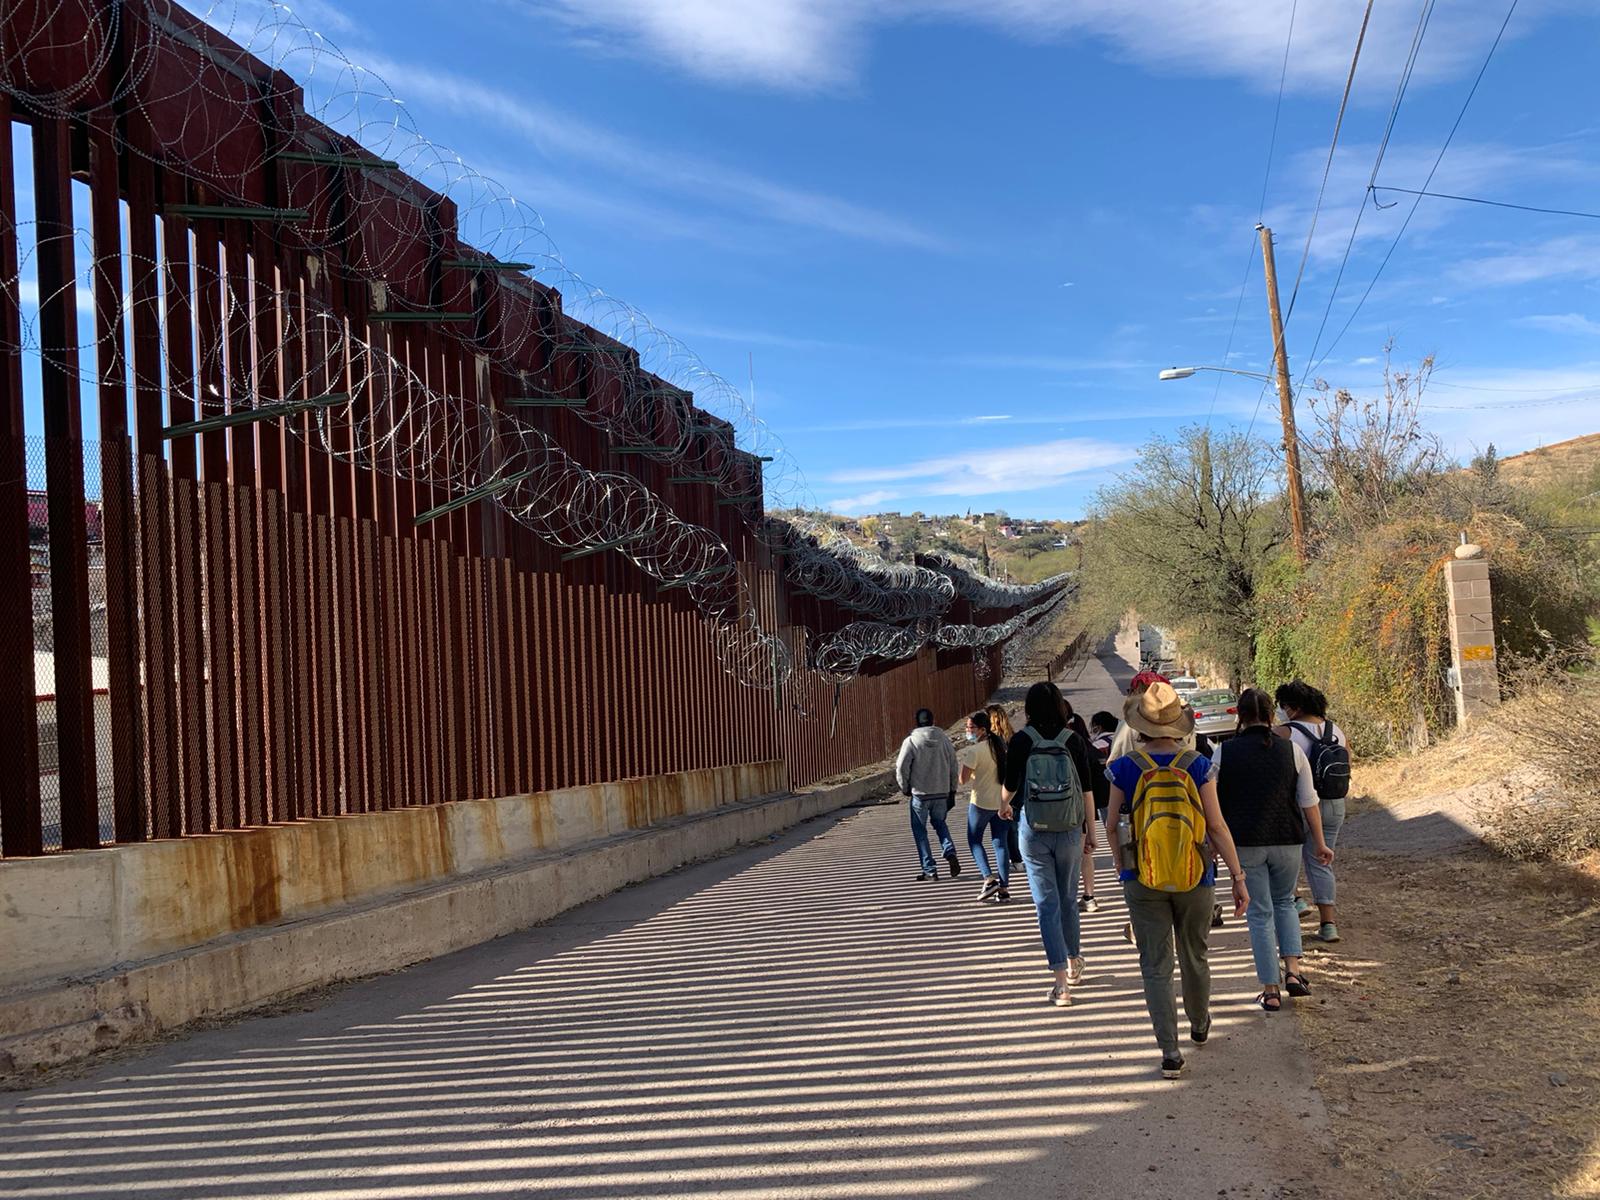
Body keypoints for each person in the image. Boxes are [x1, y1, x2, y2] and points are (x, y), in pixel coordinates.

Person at [1106, 681, 1248, 1079]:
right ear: (1178, 725)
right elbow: (1217, 826)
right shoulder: (1199, 765)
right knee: (1194, 954)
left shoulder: (1122, 768)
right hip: (1195, 874)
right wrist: (1238, 876)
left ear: (1140, 727)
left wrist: (1122, 865)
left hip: (1142, 876)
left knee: (1154, 964)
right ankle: (1199, 1025)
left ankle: (1169, 1051)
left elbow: (1112, 823)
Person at [1213, 688, 1334, 1012]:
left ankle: (1270, 989)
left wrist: (1212, 844)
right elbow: (1309, 802)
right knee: (1285, 903)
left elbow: (1212, 807)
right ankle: (1293, 972)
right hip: (1288, 840)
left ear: (1240, 716)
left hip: (1246, 844)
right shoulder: (1291, 751)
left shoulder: (1224, 753)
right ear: (1271, 716)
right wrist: (1320, 842)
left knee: (1259, 913)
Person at [1000, 682, 1096, 1007]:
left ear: (1029, 707)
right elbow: (1086, 790)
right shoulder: (1074, 740)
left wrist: (1004, 805)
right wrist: (1091, 831)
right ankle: (1073, 962)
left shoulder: (1021, 740)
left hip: (1033, 828)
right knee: (1069, 898)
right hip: (1070, 829)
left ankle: (1060, 986)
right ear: (1060, 706)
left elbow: (1010, 785)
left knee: (1046, 904)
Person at [1274, 681, 1349, 943]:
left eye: (1283, 706)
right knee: (1323, 861)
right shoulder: (1337, 730)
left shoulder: (1284, 733)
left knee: (1289, 860)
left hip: (1300, 805)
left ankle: (1296, 901)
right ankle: (1328, 925)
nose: (1281, 711)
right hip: (1334, 804)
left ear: (1293, 707)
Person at [896, 707, 962, 880]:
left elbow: (902, 766)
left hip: (920, 794)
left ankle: (929, 870)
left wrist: (905, 787)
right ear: (933, 721)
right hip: (941, 792)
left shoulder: (911, 741)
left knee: (920, 831)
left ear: (917, 722)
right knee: (940, 823)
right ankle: (949, 851)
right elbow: (954, 766)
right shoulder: (944, 740)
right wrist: (952, 790)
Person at [960, 710, 1011, 902]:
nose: (968, 730)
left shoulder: (975, 751)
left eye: (970, 727)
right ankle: (1004, 888)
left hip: (980, 802)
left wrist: (973, 774)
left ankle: (989, 878)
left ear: (982, 729)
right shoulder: (1000, 746)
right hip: (1001, 802)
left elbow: (962, 779)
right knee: (1000, 844)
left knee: (974, 840)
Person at [1079, 711, 1118, 913]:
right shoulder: (1122, 738)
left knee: (1110, 827)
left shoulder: (1096, 745)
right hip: (1124, 793)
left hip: (1102, 795)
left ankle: (1118, 860)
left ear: (1098, 726)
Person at [987, 703, 1023, 868]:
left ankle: (1013, 858)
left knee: (1004, 826)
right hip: (1016, 784)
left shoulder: (992, 742)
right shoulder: (1013, 737)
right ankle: (1016, 858)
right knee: (1013, 824)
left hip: (999, 786)